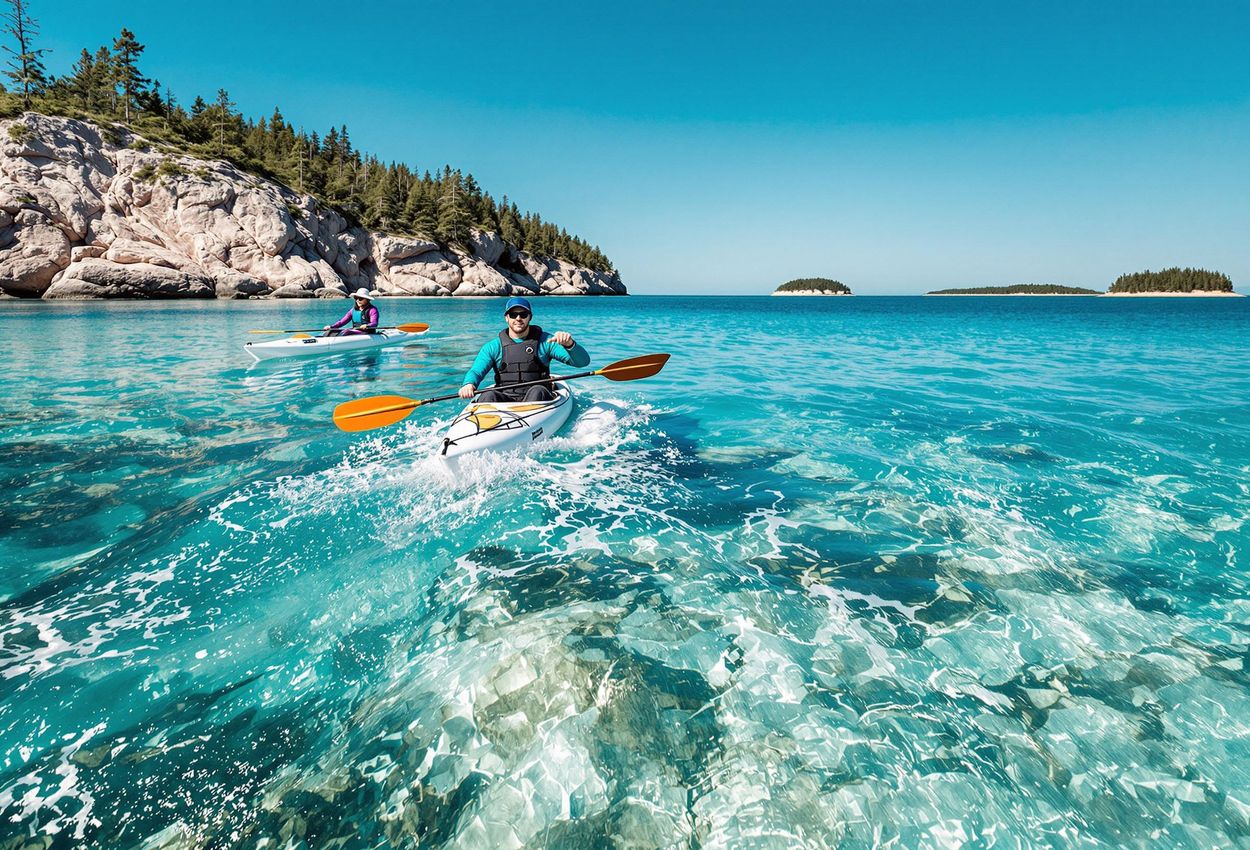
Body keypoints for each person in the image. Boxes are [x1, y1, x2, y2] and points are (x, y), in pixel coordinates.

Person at [459, 296, 589, 403]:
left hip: (538, 400)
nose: (518, 318)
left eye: (523, 314)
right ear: (506, 318)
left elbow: (582, 362)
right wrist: (469, 384)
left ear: (530, 317)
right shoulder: (493, 346)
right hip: (505, 400)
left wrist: (570, 345)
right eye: (513, 314)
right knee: (488, 395)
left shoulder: (546, 341)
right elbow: (476, 371)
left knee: (537, 391)